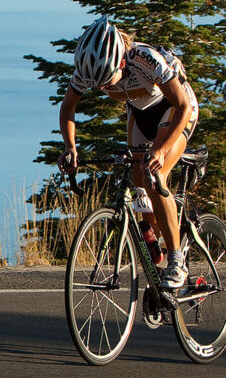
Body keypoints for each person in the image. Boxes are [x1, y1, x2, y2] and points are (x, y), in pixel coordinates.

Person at [57, 17, 199, 289]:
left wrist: (162, 148)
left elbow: (181, 105)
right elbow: (68, 108)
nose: (102, 88)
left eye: (106, 81)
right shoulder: (88, 69)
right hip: (141, 113)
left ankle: (177, 260)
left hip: (176, 109)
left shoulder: (146, 60)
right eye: (96, 84)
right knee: (139, 190)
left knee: (156, 179)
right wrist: (70, 147)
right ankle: (154, 245)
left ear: (121, 63)